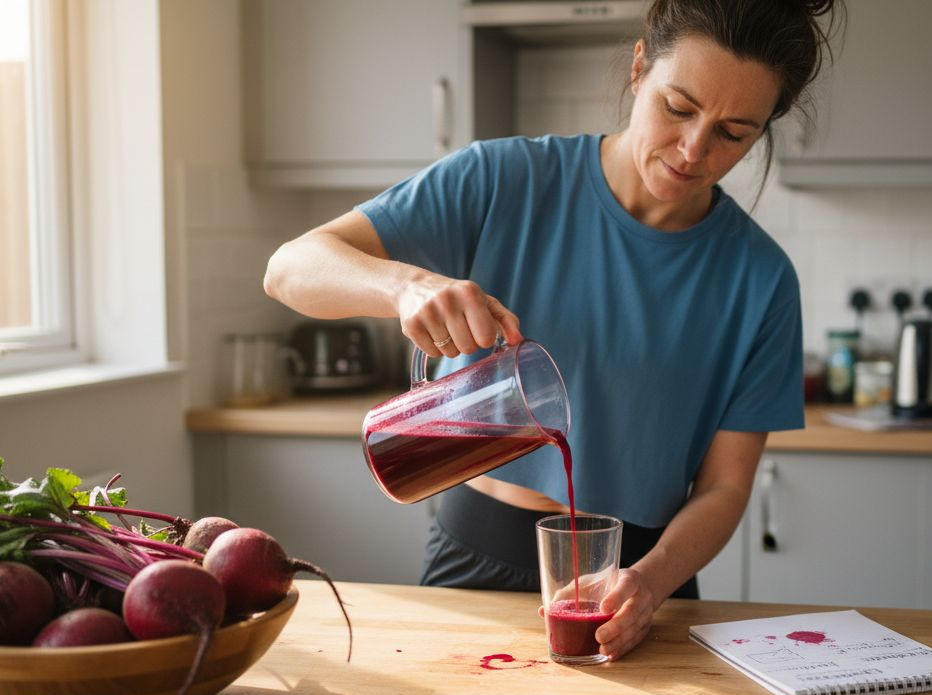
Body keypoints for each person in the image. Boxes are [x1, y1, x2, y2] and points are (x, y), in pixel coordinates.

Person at [263, 0, 840, 660]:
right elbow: (290, 268)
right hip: (475, 565)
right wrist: (405, 286)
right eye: (678, 107)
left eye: (734, 133)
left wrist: (648, 584)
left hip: (644, 586)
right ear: (638, 68)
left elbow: (725, 487)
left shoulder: (762, 279)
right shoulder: (501, 180)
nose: (694, 149)